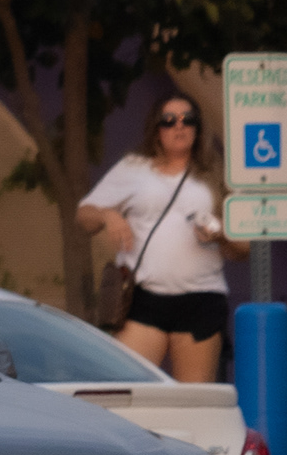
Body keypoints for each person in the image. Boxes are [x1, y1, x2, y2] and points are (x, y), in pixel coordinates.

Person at [78, 92, 231, 380]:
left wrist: (220, 236)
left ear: (198, 129)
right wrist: (108, 215)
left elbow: (242, 248)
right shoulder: (134, 168)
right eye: (169, 120)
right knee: (129, 390)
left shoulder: (215, 174)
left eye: (188, 120)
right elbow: (84, 216)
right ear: (156, 129)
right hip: (144, 298)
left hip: (201, 298)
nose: (179, 126)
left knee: (193, 400)